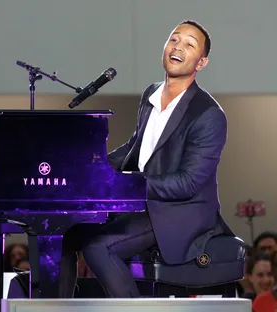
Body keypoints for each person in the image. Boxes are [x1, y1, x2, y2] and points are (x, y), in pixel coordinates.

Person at [59, 19, 234, 298]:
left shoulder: (208, 115)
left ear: (201, 63)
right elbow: (136, 148)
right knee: (63, 237)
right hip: (144, 205)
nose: (178, 47)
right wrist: (92, 167)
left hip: (181, 212)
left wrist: (125, 183)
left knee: (98, 247)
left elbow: (188, 183)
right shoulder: (150, 94)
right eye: (174, 39)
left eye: (189, 45)